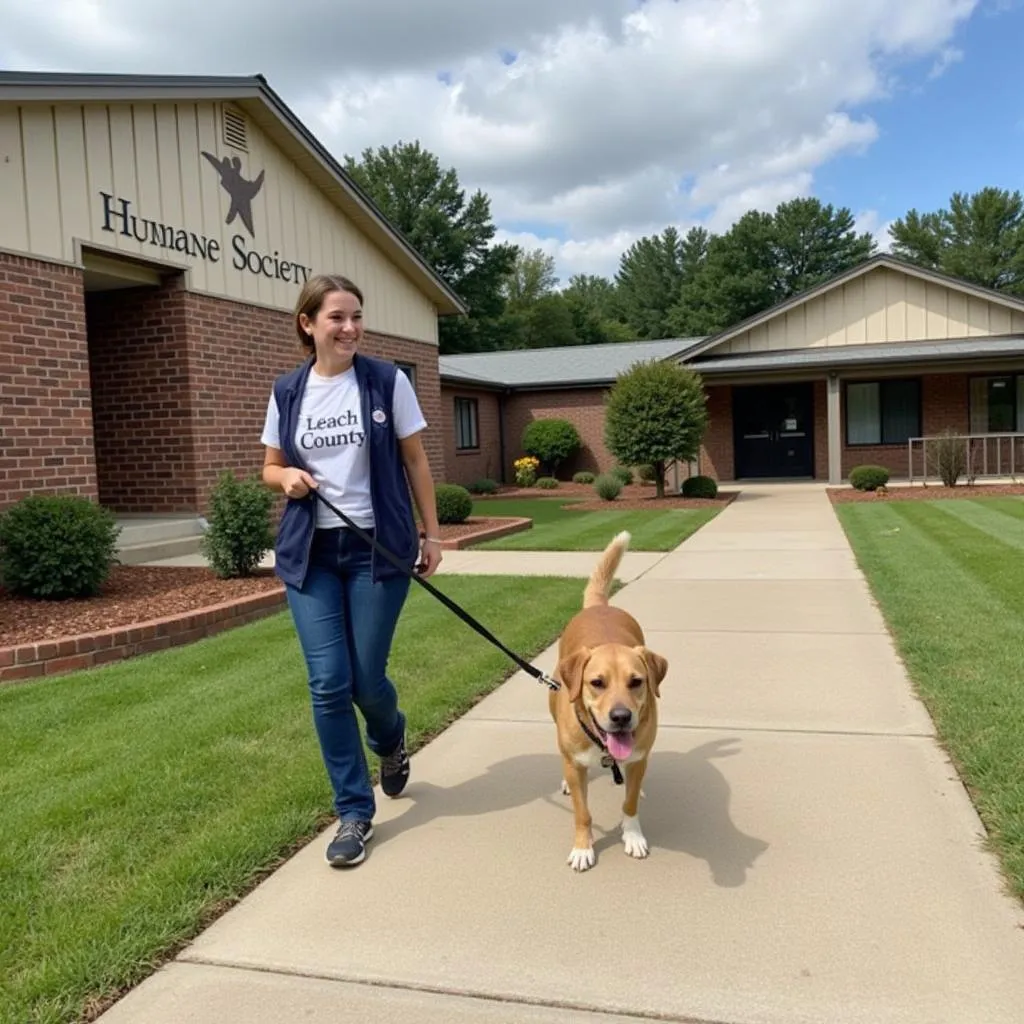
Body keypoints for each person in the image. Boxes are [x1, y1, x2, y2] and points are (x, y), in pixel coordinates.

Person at [260, 273, 443, 868]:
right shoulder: (288, 391)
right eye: (336, 317)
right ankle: (354, 812)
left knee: (367, 681)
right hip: (311, 554)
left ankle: (390, 738)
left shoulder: (387, 381)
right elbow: (270, 466)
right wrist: (284, 477)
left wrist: (432, 533)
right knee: (328, 683)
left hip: (376, 551)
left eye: (356, 316)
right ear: (307, 324)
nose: (350, 328)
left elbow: (416, 459)